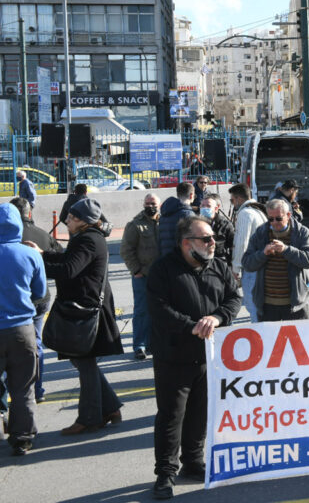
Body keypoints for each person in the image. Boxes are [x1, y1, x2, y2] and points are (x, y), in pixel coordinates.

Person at [148, 216, 241, 500]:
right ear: (187, 243)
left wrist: (216, 317)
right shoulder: (163, 270)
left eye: (213, 237)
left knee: (200, 412)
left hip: (209, 358)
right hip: (173, 356)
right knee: (171, 416)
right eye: (206, 239)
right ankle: (165, 473)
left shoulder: (219, 267)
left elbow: (234, 298)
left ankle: (193, 461)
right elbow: (159, 308)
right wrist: (192, 325)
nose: (213, 243)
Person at [35, 198, 123, 435]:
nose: (67, 222)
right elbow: (67, 260)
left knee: (84, 361)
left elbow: (67, 270)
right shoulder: (88, 238)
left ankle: (90, 417)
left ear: (84, 222)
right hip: (85, 307)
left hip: (84, 310)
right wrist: (43, 254)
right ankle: (111, 408)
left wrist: (35, 262)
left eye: (72, 218)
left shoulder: (87, 240)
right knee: (85, 361)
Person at [0, 202, 46, 456]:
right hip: (21, 328)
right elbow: (39, 292)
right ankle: (23, 437)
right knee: (23, 386)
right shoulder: (29, 254)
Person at [8, 198, 60, 403]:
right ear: (29, 213)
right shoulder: (41, 235)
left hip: (11, 302)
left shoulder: (7, 238)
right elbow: (59, 257)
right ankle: (37, 390)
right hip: (38, 299)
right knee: (35, 345)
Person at [242, 199, 309, 322]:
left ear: (288, 215)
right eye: (270, 219)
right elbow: (247, 264)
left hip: (295, 304)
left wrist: (286, 250)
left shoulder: (302, 233)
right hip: (266, 305)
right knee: (269, 341)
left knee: (297, 340)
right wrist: (263, 254)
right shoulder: (261, 233)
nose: (274, 223)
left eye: (278, 218)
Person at [121, 193, 161, 360]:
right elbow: (126, 250)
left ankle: (154, 344)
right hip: (142, 276)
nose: (149, 206)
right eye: (147, 203)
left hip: (162, 276)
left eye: (152, 203)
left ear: (159, 205)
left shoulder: (165, 223)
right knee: (142, 311)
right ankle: (140, 345)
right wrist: (137, 270)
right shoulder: (135, 225)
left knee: (160, 311)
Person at [228, 184, 267, 322]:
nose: (232, 204)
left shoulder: (245, 214)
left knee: (253, 306)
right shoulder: (258, 210)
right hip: (261, 263)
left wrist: (236, 268)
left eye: (232, 200)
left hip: (250, 267)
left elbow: (241, 243)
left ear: (238, 198)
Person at [158, 182, 195, 256]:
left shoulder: (164, 213)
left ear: (177, 194)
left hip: (166, 258)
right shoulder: (188, 214)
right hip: (182, 259)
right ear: (191, 195)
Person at [199, 193, 234, 267]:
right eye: (202, 205)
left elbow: (232, 247)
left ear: (216, 208)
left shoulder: (225, 225)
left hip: (219, 264)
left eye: (208, 206)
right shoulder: (196, 224)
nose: (204, 208)